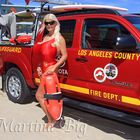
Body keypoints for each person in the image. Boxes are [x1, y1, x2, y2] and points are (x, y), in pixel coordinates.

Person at [35, 13, 67, 128]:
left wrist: (54, 67)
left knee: (40, 96)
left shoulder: (59, 38)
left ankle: (52, 119)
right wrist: (39, 66)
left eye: (51, 22)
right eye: (46, 23)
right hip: (43, 71)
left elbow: (64, 55)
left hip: (51, 72)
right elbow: (43, 56)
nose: (49, 25)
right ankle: (53, 118)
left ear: (55, 23)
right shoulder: (45, 37)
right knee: (46, 97)